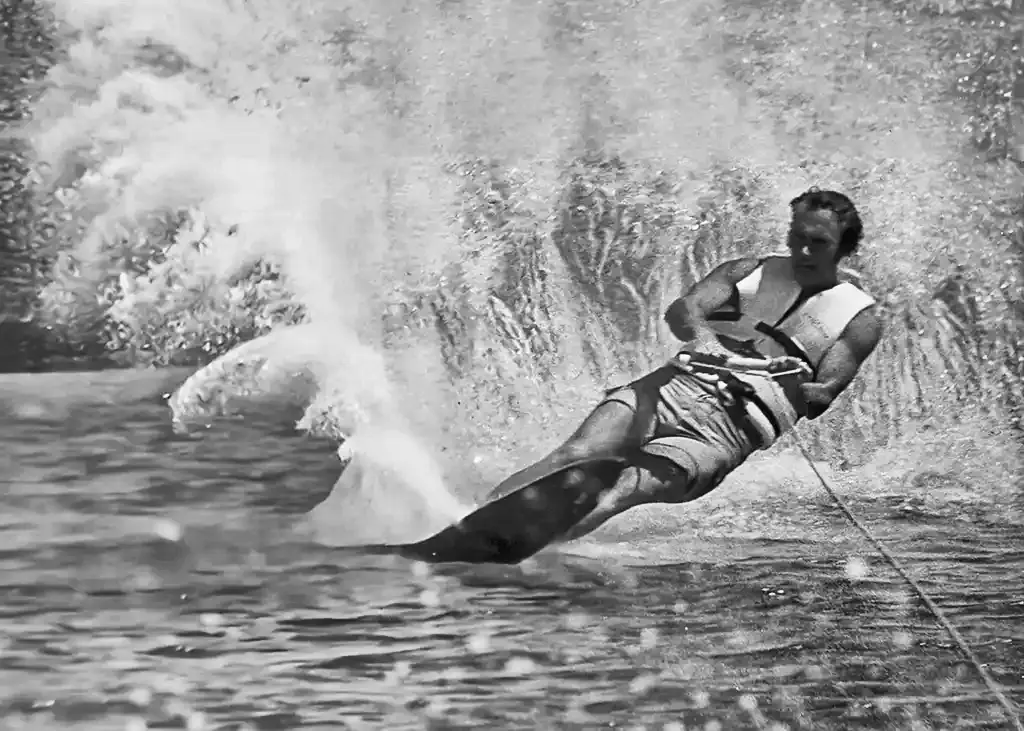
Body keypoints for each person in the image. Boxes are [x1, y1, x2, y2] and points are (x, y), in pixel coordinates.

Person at [483, 188, 884, 547]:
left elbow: (824, 395)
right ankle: (473, 520)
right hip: (673, 390)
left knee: (622, 488)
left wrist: (798, 383)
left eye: (819, 243)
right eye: (797, 238)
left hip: (727, 432)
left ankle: (525, 550)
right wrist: (706, 340)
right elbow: (684, 311)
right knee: (576, 453)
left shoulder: (858, 319)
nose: (804, 252)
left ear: (842, 248)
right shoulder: (745, 272)